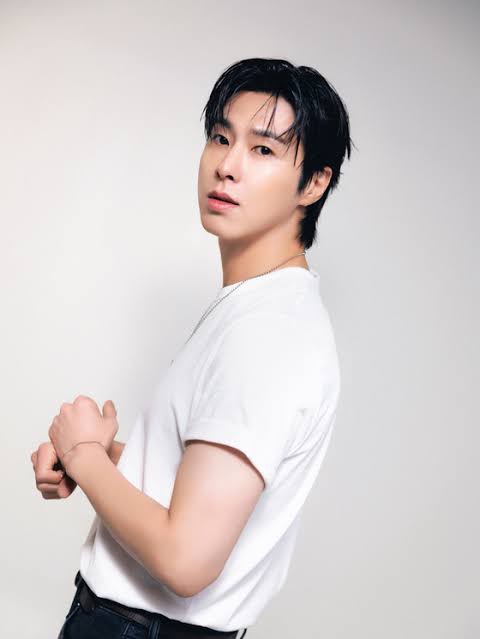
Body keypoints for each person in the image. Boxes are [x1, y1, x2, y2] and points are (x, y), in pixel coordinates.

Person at [31, 57, 353, 639]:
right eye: (220, 138)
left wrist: (83, 456)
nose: (227, 165)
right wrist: (100, 457)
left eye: (263, 149)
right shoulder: (257, 308)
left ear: (314, 183)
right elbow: (202, 485)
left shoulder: (269, 332)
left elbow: (186, 561)